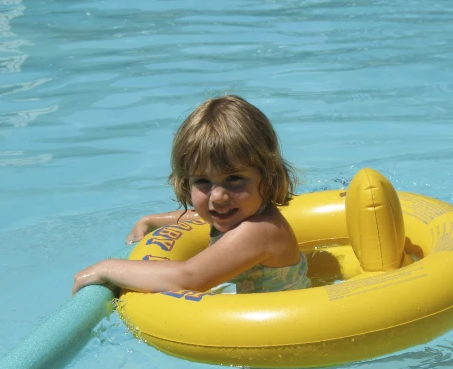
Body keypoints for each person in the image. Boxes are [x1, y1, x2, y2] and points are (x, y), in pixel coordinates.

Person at [72, 95, 311, 295]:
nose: (218, 197)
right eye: (203, 182)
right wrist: (152, 220)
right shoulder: (242, 218)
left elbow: (189, 278)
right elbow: (197, 217)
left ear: (267, 177)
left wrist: (108, 267)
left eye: (234, 179)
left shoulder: (259, 232)